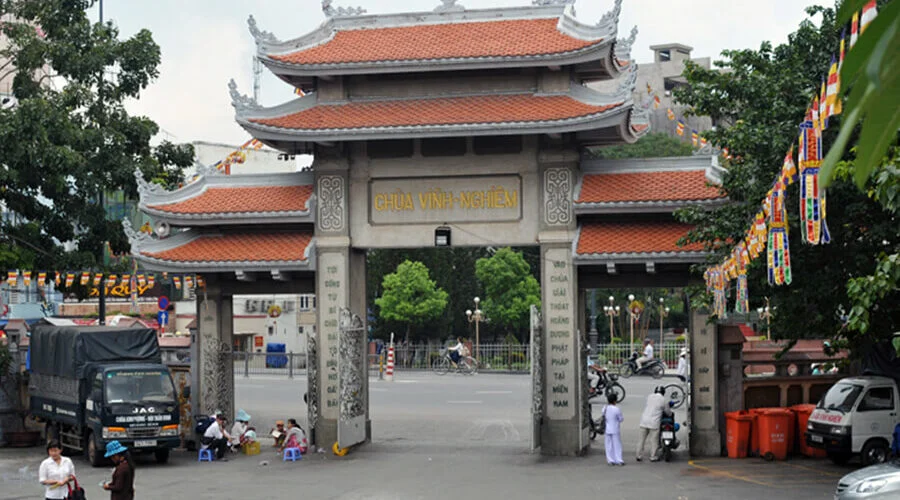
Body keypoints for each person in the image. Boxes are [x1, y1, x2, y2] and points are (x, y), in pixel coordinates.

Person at [636, 386, 673, 462]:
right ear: (663, 392)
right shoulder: (664, 400)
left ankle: (638, 455)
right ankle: (653, 456)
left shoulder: (649, 396)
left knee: (641, 440)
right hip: (654, 423)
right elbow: (668, 413)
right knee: (654, 441)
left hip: (644, 421)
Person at [603, 392, 624, 466]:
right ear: (615, 401)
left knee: (608, 445)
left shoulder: (605, 408)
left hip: (607, 429)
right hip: (615, 429)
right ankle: (619, 460)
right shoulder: (616, 409)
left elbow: (603, 416)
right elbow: (621, 419)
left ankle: (610, 460)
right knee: (617, 445)